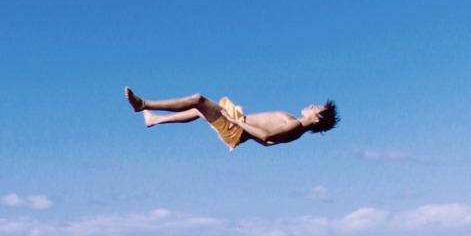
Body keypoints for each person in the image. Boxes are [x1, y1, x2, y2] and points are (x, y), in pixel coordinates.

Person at [125, 86, 338, 149]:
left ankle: (143, 104)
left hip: (234, 129)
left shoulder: (294, 127)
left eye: (316, 108)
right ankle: (153, 119)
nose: (311, 106)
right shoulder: (294, 121)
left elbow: (266, 138)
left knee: (198, 100)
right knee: (201, 111)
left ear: (317, 119)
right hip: (236, 125)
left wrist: (237, 121)